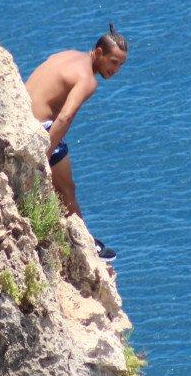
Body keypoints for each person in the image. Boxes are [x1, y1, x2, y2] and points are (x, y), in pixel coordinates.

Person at [24, 23, 128, 260]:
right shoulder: (87, 80)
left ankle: (59, 229)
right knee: (67, 187)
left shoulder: (67, 55)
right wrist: (44, 153)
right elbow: (65, 117)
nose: (116, 69)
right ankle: (86, 245)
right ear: (99, 52)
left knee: (55, 185)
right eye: (113, 62)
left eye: (121, 64)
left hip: (19, 114)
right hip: (38, 127)